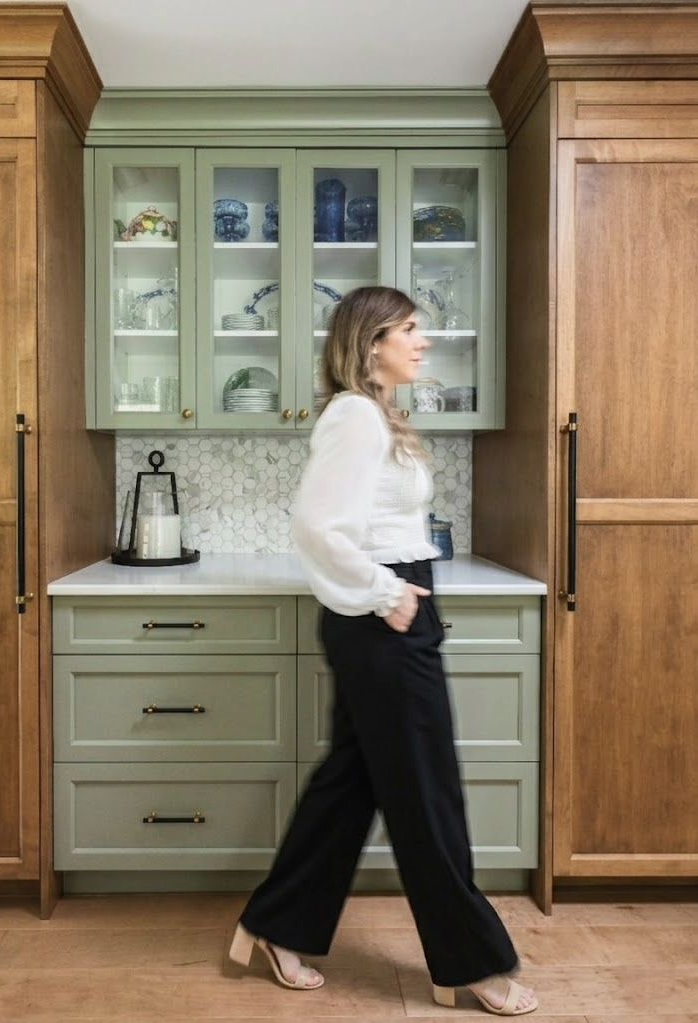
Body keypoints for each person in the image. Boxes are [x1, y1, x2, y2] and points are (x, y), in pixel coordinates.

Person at [228, 286, 538, 1017]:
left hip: (391, 610)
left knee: (351, 784)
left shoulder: (376, 416)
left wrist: (390, 591)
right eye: (407, 328)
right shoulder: (353, 417)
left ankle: (274, 924)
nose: (421, 339)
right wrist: (381, 590)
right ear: (370, 344)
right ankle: (470, 963)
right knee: (427, 794)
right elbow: (314, 526)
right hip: (384, 618)